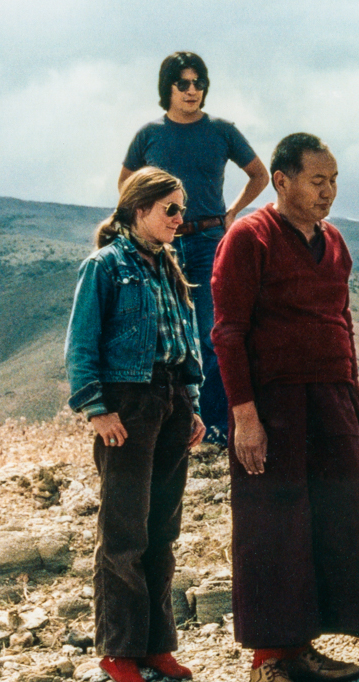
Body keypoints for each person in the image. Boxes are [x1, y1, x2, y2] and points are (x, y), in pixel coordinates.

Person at [211, 133, 359, 682]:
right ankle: (269, 658)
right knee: (274, 526)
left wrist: (356, 397)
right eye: (318, 180)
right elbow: (228, 332)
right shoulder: (249, 237)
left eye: (334, 180)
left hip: (332, 400)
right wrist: (244, 416)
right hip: (274, 404)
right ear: (282, 181)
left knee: (336, 520)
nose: (329, 191)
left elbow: (341, 322)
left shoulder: (334, 242)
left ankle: (303, 647)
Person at [65, 167, 206, 682]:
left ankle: (156, 644)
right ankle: (118, 650)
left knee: (162, 529)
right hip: (127, 401)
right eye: (170, 208)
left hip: (169, 399)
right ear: (138, 208)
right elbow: (81, 343)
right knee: (124, 530)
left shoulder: (169, 267)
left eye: (182, 208)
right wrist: (97, 409)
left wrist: (190, 403)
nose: (179, 217)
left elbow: (184, 342)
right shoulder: (105, 266)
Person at [120, 51, 269, 447]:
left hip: (207, 243)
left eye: (198, 83)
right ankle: (177, 425)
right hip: (161, 246)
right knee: (168, 338)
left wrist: (234, 212)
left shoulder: (221, 131)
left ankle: (219, 425)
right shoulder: (149, 135)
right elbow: (126, 185)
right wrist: (144, 226)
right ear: (166, 88)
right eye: (183, 83)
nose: (192, 91)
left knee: (211, 334)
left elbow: (259, 174)